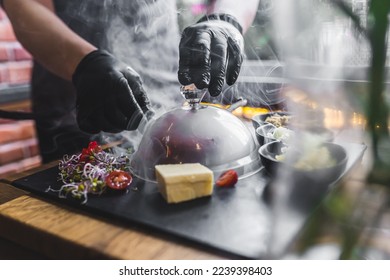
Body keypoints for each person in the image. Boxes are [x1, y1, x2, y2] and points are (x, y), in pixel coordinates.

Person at [1, 0, 259, 163]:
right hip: (80, 97)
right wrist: (85, 63)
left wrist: (225, 21)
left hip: (167, 95)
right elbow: (24, 4)